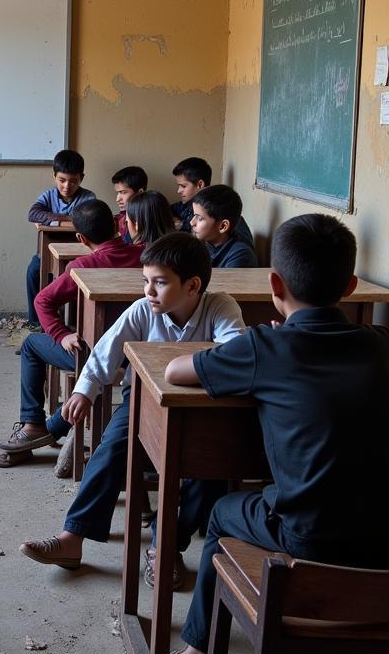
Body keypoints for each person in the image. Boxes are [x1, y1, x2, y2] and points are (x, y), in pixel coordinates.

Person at [165, 214, 389, 654]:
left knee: (222, 512)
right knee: (348, 506)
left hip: (309, 540)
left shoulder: (267, 347)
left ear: (274, 284)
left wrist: (270, 343)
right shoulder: (381, 344)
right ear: (351, 286)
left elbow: (179, 370)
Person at [17, 233, 246, 583]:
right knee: (109, 451)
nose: (149, 291)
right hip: (141, 400)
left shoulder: (220, 306)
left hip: (202, 411)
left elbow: (236, 351)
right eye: (146, 281)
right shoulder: (142, 310)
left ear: (193, 286)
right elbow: (105, 353)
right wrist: (84, 392)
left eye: (159, 283)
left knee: (208, 473)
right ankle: (72, 538)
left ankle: (164, 546)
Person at [0, 199, 143, 468]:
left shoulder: (82, 267)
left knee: (31, 344)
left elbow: (42, 301)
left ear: (80, 238)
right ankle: (49, 429)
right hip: (139, 358)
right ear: (115, 224)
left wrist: (62, 334)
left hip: (96, 358)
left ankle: (33, 425)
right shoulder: (145, 256)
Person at [24, 149, 98, 326]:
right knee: (34, 271)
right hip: (47, 254)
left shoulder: (88, 197)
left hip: (79, 254)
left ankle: (72, 322)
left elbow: (87, 221)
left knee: (75, 278)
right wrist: (69, 219)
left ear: (82, 178)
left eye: (73, 181)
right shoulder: (48, 195)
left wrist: (51, 218)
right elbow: (33, 214)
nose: (66, 186)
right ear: (54, 176)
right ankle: (35, 322)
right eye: (62, 180)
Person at [189, 185, 258, 268]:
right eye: (194, 215)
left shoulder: (240, 256)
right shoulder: (208, 241)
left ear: (223, 226)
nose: (191, 222)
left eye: (199, 218)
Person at [170, 157, 212, 233]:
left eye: (183, 186)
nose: (178, 191)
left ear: (200, 185)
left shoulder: (211, 209)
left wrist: (182, 225)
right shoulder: (186, 205)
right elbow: (167, 209)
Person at [111, 165, 147, 243]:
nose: (117, 199)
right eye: (118, 193)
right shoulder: (119, 219)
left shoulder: (148, 220)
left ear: (140, 193)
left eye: (123, 192)